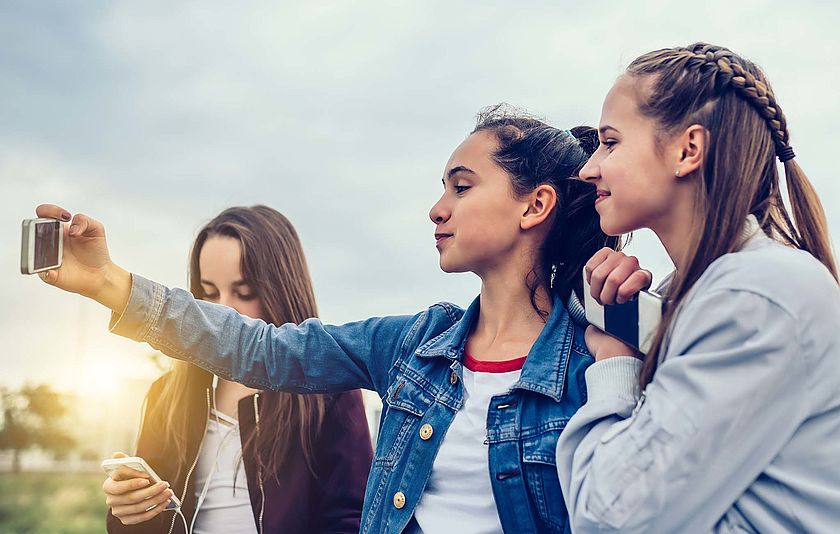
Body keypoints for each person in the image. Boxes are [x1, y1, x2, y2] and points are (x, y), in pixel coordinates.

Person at [35, 105, 620, 533]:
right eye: (442, 187)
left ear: (535, 205)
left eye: (462, 187)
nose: (437, 208)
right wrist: (108, 282)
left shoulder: (601, 358)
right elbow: (260, 351)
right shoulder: (409, 345)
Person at [556, 43, 840, 533]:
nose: (588, 168)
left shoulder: (754, 296)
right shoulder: (710, 291)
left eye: (610, 141)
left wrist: (615, 359)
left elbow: (609, 519)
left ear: (688, 150)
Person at [102, 206, 373, 534]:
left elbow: (349, 518)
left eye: (244, 292)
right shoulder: (167, 392)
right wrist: (127, 512)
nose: (222, 311)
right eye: (208, 293)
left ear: (282, 291)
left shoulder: (332, 389)